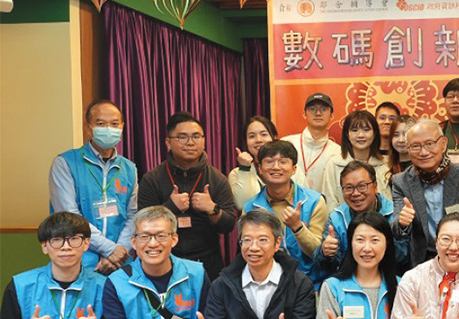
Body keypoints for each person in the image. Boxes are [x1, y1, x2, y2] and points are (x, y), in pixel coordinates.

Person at [138, 111, 236, 280]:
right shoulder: (152, 178)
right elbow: (142, 223)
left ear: (204, 140)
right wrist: (170, 207)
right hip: (163, 260)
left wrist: (213, 209)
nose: (190, 142)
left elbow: (229, 225)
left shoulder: (217, 178)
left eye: (197, 136)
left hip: (207, 261)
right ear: (168, 142)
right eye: (182, 137)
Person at [391, 119, 459, 278]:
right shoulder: (400, 182)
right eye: (415, 146)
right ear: (408, 150)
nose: (423, 152)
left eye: (430, 144)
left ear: (443, 144)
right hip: (424, 264)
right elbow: (395, 229)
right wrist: (402, 222)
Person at [49, 100, 137, 273]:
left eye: (114, 124)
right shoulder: (65, 163)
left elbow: (133, 215)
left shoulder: (129, 168)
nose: (108, 129)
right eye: (101, 124)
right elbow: (69, 216)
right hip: (79, 259)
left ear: (122, 127)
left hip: (120, 263)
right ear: (89, 127)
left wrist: (120, 251)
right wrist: (109, 249)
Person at [244, 140, 328, 289]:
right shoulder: (251, 207)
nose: (276, 167)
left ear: (294, 168)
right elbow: (248, 252)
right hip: (267, 286)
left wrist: (297, 227)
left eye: (283, 162)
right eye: (269, 162)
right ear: (260, 169)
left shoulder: (314, 201)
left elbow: (319, 254)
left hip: (310, 284)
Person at [317, 161, 406, 277]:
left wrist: (398, 231)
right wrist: (326, 253)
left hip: (390, 279)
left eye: (362, 186)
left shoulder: (395, 213)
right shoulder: (337, 218)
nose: (356, 193)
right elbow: (326, 267)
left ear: (375, 187)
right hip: (349, 282)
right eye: (349, 188)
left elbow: (404, 257)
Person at [228, 116, 306, 209]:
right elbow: (243, 205)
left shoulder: (289, 168)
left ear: (274, 137)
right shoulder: (236, 173)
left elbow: (305, 201)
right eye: (252, 136)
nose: (258, 140)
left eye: (264, 134)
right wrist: (244, 169)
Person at [322, 110, 391, 210]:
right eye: (354, 130)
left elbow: (389, 203)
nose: (361, 135)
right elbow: (330, 204)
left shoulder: (386, 165)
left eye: (366, 130)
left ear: (375, 133)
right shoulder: (334, 164)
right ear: (347, 134)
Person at [281, 92, 343, 194]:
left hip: (323, 208)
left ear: (332, 115)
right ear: (304, 114)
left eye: (323, 109)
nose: (318, 113)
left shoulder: (338, 152)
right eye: (312, 109)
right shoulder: (286, 144)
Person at [388, 114, 415, 180]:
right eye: (396, 135)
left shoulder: (423, 168)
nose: (401, 140)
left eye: (405, 134)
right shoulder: (385, 170)